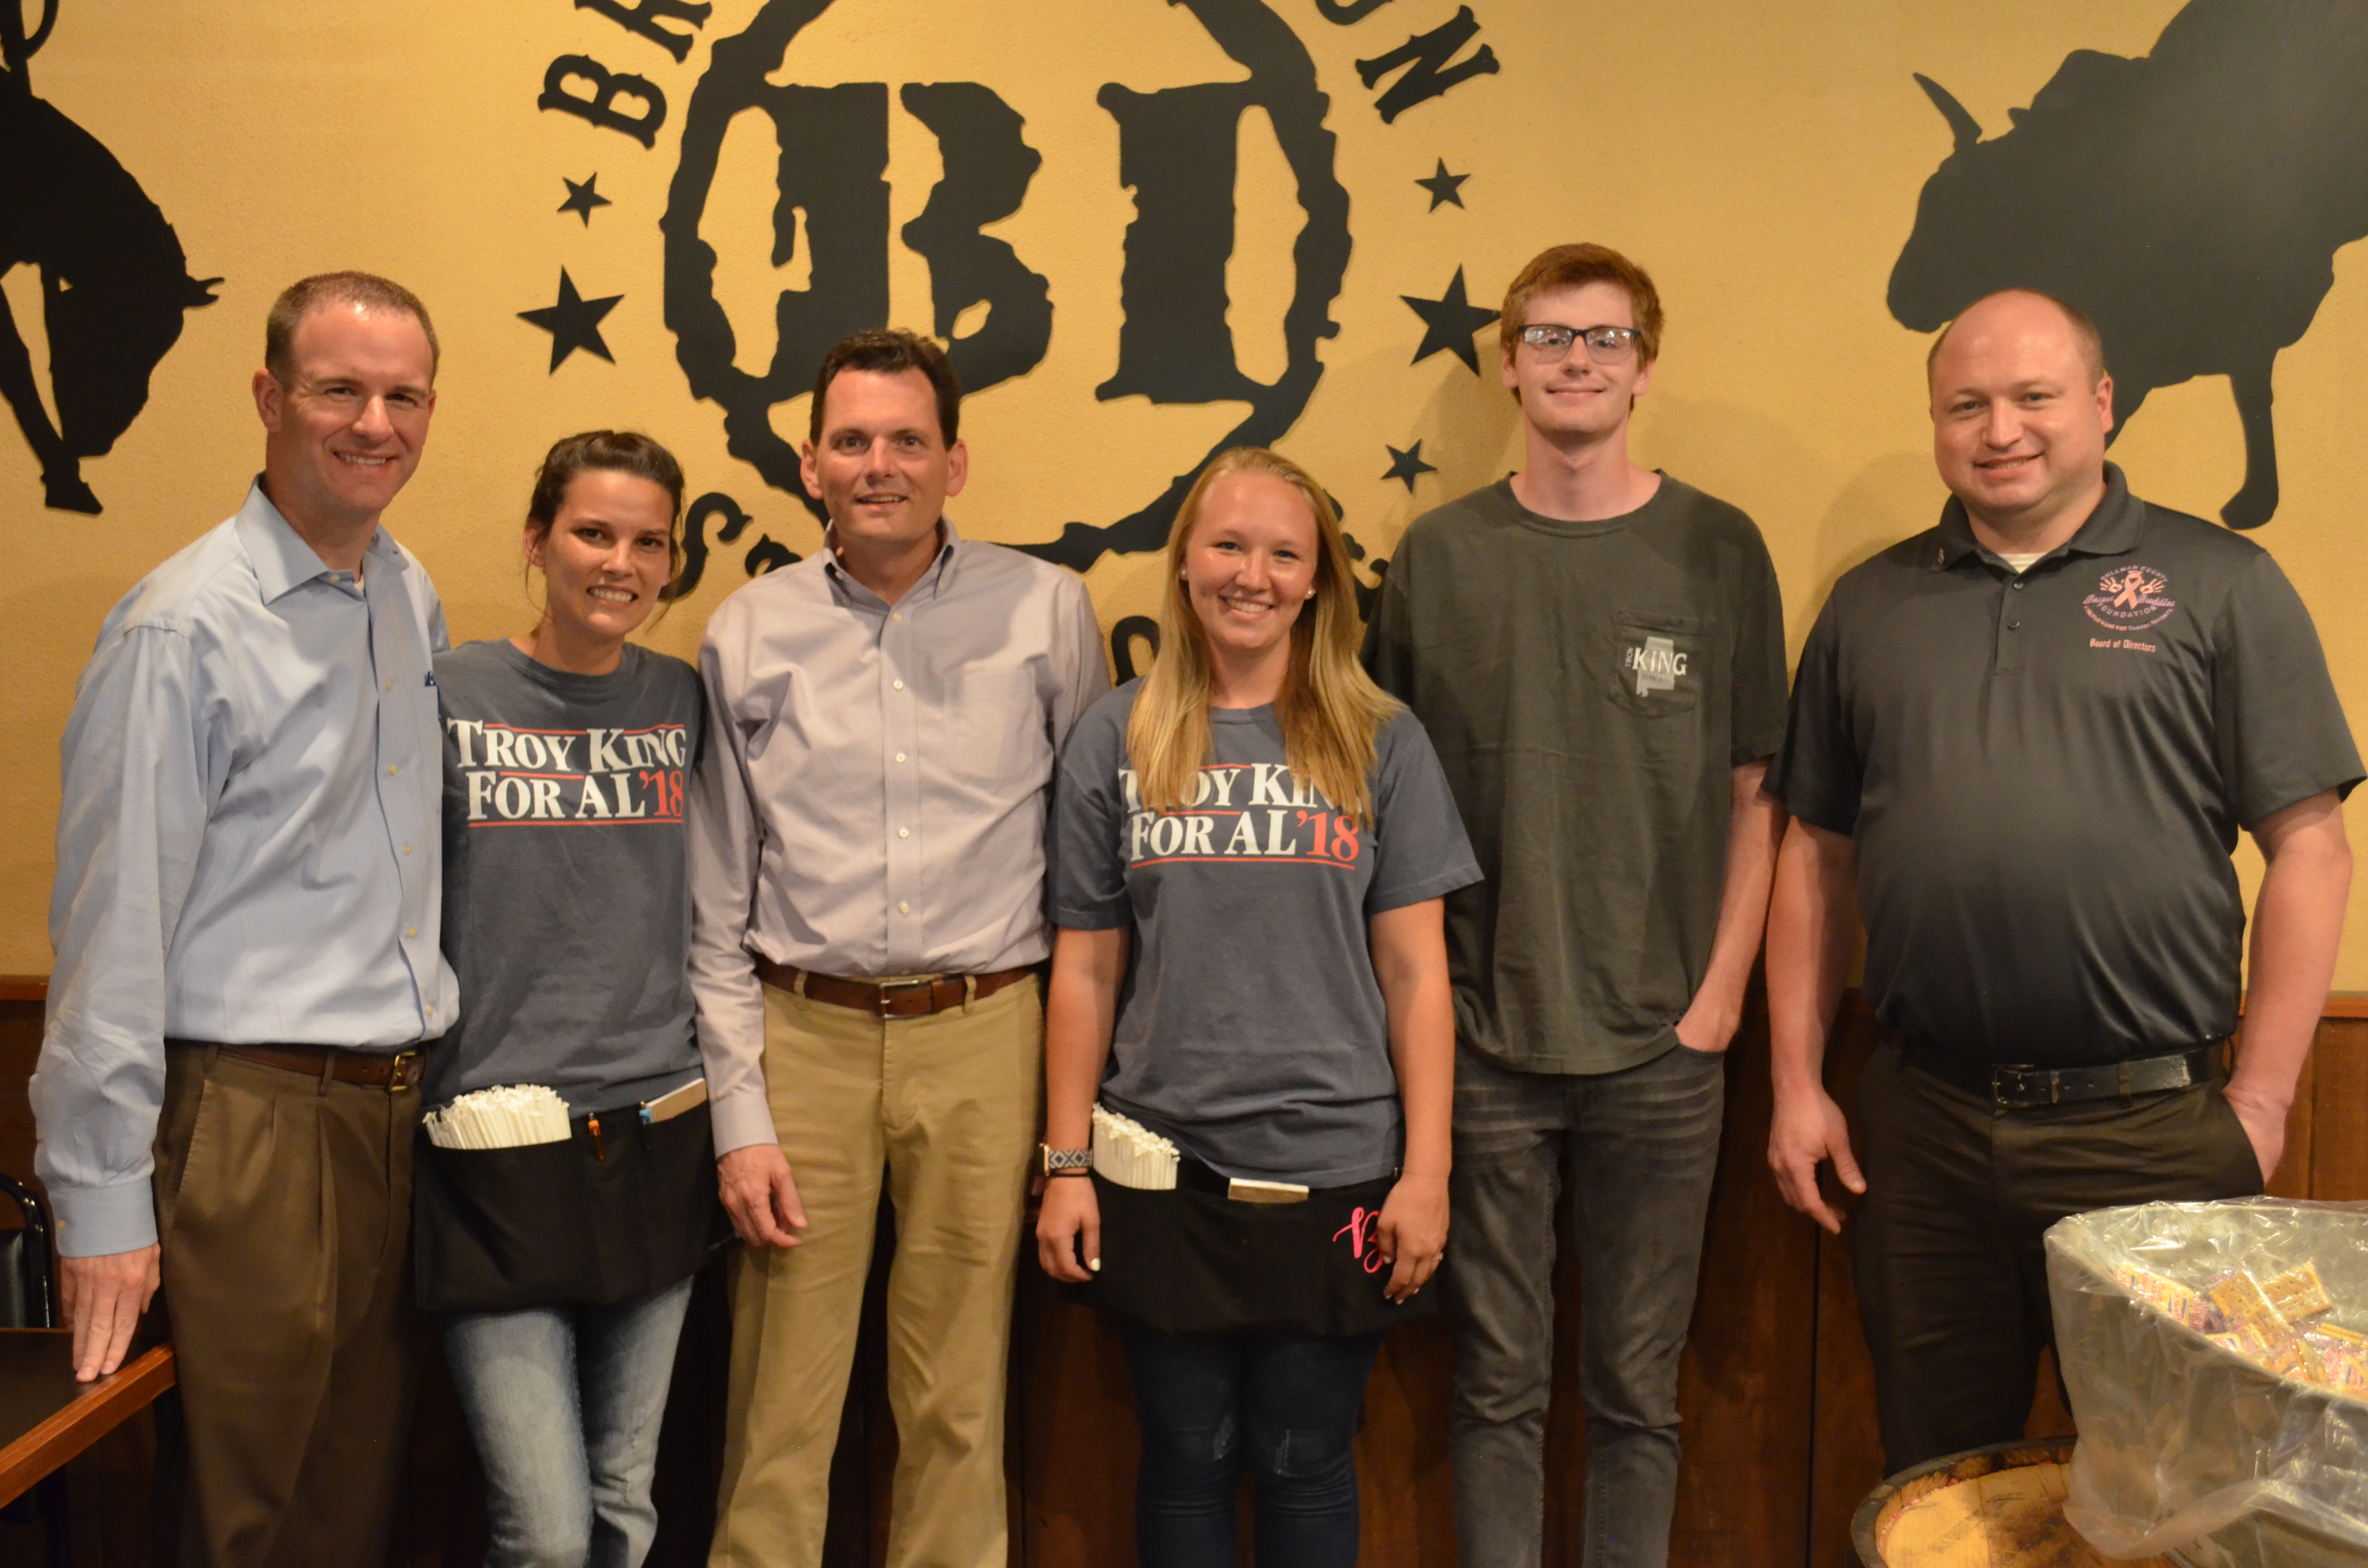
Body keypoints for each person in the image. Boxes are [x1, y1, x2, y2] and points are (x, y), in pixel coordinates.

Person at [1765, 287, 2358, 1471]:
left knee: (2176, 1481)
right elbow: (1812, 856)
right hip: (1922, 1129)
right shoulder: (1871, 604)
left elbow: (2310, 844)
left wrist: (2267, 1102)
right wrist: (1793, 1080)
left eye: (2033, 398)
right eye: (1966, 405)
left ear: (2100, 403)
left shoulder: (2219, 583)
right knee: (1939, 1479)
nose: (2001, 431)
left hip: (2153, 1132)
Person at [1361, 244, 1788, 1568]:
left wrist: (1721, 1002)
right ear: (1507, 361)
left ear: (1645, 366)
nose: (1577, 361)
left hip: (1668, 1050)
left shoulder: (1719, 549)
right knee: (1491, 1388)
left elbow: (1759, 795)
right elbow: (1381, 804)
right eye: (1549, 336)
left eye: (1606, 339)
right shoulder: (1439, 556)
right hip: (1484, 1046)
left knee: (1637, 1399)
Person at [32, 271, 454, 1567]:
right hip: (249, 1129)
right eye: (340, 389)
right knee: (244, 1521)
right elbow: (111, 933)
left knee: (349, 1509)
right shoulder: (183, 630)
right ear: (270, 397)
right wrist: (101, 1207)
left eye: (404, 396)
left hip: (395, 1115)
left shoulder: (407, 594)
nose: (375, 423)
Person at [689, 328, 1108, 1568]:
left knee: (958, 1406)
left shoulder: (1046, 613)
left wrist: (1071, 1118)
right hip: (799, 1039)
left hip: (987, 1033)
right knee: (779, 1410)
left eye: (908, 441)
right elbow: (714, 897)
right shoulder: (747, 631)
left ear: (955, 462)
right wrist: (739, 1115)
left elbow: (1087, 874)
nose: (881, 464)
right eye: (854, 441)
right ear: (810, 462)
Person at [1036, 445, 1480, 1568]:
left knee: (1303, 1454)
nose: (1254, 574)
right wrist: (1067, 1164)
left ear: (1321, 579)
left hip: (1339, 1163)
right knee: (1187, 1452)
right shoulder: (1120, 735)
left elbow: (1419, 976)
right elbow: (1084, 971)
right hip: (1162, 1166)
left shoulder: (1382, 738)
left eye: (1285, 553)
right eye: (1228, 545)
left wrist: (1425, 1175)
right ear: (1183, 564)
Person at [416, 431, 713, 1568]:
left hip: (657, 1133)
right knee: (543, 1532)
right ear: (538, 540)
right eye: (594, 532)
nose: (621, 563)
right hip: (493, 1143)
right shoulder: (447, 689)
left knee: (624, 1504)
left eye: (651, 542)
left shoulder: (682, 699)